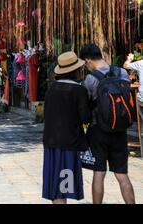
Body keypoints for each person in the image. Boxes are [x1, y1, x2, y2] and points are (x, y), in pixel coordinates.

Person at [80, 44, 135, 204]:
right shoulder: (122, 73)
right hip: (120, 129)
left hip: (99, 130)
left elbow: (87, 103)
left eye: (85, 63)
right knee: (122, 175)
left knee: (99, 173)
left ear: (88, 60)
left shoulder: (91, 79)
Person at [42, 51, 90, 204]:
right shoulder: (79, 90)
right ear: (75, 71)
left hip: (51, 143)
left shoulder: (51, 89)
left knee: (56, 186)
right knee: (64, 185)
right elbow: (85, 118)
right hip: (69, 143)